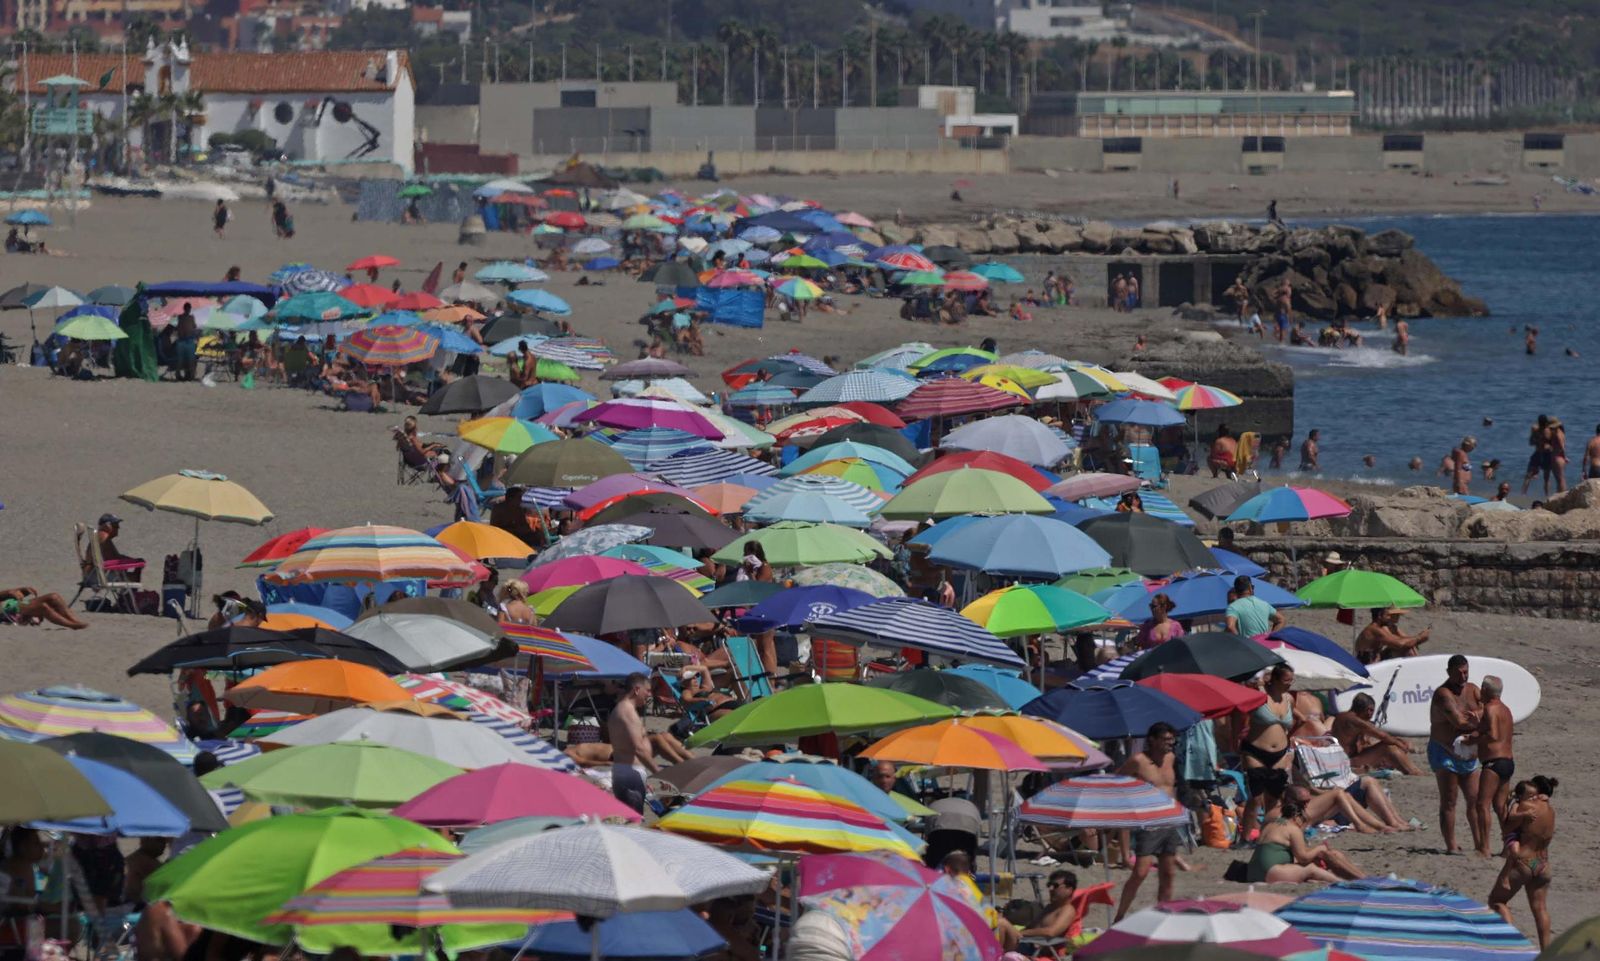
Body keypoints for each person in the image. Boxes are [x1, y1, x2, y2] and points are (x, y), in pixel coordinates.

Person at [1113, 722, 1182, 920]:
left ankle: (1163, 916)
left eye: (1171, 739)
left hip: (1170, 820)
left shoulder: (1171, 758)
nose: (1170, 743)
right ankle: (1120, 916)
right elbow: (1117, 780)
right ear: (1151, 740)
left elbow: (1174, 787)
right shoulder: (1138, 760)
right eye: (1165, 739)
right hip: (1149, 822)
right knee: (1141, 872)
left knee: (1168, 874)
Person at [1487, 776, 1556, 948]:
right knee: (1540, 909)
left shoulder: (1524, 807)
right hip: (1542, 863)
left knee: (1497, 901)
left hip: (1524, 861)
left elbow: (1507, 829)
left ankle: (1511, 945)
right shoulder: (1551, 810)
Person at [1430, 654, 1485, 855]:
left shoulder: (1473, 689)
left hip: (1468, 754)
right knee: (1450, 799)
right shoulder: (1443, 694)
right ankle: (1451, 845)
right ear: (1449, 672)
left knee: (1476, 799)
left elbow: (1489, 708)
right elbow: (1459, 722)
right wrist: (1481, 718)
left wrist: (1479, 715)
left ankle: (1480, 843)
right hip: (1445, 751)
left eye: (1466, 672)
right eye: (1459, 673)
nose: (1463, 676)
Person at [1239, 664, 1296, 845]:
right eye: (1286, 680)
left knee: (1274, 799)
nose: (1290, 684)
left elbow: (1296, 720)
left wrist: (1289, 741)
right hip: (1255, 751)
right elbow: (1238, 706)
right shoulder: (1259, 694)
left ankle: (1266, 837)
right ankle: (1245, 838)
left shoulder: (1289, 699)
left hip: (1279, 754)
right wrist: (1235, 738)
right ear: (1276, 679)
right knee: (1255, 799)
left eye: (1291, 680)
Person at [1246, 799, 1360, 883]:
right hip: (1270, 872)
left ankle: (1360, 878)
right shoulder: (1293, 828)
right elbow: (1303, 857)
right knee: (1311, 869)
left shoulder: (1271, 824)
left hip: (1252, 872)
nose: (1303, 823)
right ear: (1296, 816)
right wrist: (1319, 848)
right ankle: (1344, 883)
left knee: (1330, 856)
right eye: (1303, 820)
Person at [1474, 675, 1516, 856]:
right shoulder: (1506, 710)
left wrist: (1471, 740)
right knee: (1501, 806)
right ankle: (1509, 846)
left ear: (1485, 690)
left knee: (1482, 805)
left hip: (1494, 762)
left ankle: (1484, 847)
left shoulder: (1490, 708)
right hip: (1507, 761)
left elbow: (1493, 734)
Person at [1332, 693, 1421, 776]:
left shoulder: (1341, 717)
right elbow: (1383, 736)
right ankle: (1414, 772)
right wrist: (1401, 745)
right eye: (1371, 711)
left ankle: (1409, 770)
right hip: (1348, 762)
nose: (1371, 715)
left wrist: (1398, 741)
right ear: (1368, 710)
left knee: (1390, 743)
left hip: (1342, 760)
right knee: (1388, 747)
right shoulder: (1354, 721)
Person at [607, 673, 657, 813]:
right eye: (647, 690)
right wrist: (658, 772)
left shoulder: (624, 709)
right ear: (636, 689)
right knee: (634, 822)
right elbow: (638, 749)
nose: (649, 695)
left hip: (629, 773)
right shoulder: (627, 712)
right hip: (629, 775)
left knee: (632, 820)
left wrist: (644, 778)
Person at [1354, 607, 1429, 663]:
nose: (1389, 618)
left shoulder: (1382, 627)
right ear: (1380, 616)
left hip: (1375, 658)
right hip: (1366, 663)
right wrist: (1419, 637)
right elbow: (1399, 643)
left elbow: (1402, 639)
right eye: (1388, 615)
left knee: (1408, 647)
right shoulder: (1374, 630)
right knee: (1406, 647)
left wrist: (1418, 638)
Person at [1020, 870, 1079, 939]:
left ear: (1069, 890)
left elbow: (1051, 932)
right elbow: (1030, 927)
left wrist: (1020, 933)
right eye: (1049, 885)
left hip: (1037, 948)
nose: (1050, 889)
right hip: (1026, 943)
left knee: (1004, 924)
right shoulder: (1050, 907)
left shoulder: (1067, 910)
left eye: (1055, 886)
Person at [1, 585, 89, 628]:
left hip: (11, 603)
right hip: (5, 609)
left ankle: (73, 620)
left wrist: (22, 590)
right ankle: (70, 624)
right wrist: (9, 592)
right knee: (42, 607)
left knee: (54, 597)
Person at [123, 837, 168, 905]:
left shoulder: (133, 858)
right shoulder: (143, 861)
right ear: (145, 841)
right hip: (136, 904)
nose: (164, 845)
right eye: (160, 840)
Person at [174, 302, 200, 381]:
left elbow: (193, 327)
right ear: (186, 309)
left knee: (188, 359)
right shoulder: (184, 317)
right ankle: (182, 375)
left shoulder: (187, 317)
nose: (188, 310)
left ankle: (189, 375)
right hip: (184, 340)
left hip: (186, 340)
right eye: (188, 308)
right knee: (184, 359)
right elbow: (193, 327)